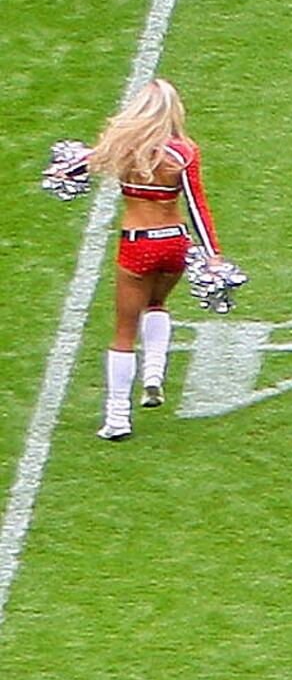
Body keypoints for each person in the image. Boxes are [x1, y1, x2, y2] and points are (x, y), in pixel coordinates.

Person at [81, 79, 224, 440]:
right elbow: (197, 206)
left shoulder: (124, 146)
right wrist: (212, 256)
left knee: (124, 333)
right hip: (175, 243)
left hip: (137, 244)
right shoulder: (185, 152)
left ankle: (117, 418)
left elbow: (74, 170)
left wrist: (64, 168)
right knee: (157, 303)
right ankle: (155, 374)